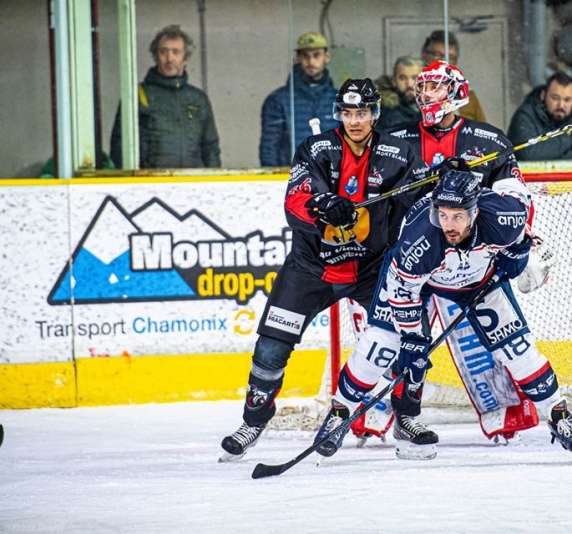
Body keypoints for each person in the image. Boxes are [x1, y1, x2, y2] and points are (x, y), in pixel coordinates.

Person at [313, 170, 572, 463]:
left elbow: (514, 190)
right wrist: (412, 338)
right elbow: (402, 292)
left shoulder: (504, 217)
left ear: (475, 212)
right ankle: (338, 414)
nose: (448, 224)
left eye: (457, 216)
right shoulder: (420, 240)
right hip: (416, 284)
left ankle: (559, 415)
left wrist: (519, 250)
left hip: (478, 282)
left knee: (516, 348)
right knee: (380, 346)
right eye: (443, 215)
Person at [219, 78, 429, 461]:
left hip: (373, 270)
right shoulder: (316, 148)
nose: (355, 120)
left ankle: (406, 418)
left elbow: (425, 197)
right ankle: (253, 420)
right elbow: (296, 199)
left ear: (375, 114)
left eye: (362, 112)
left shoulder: (399, 153)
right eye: (348, 113)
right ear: (339, 114)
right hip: (311, 268)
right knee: (270, 346)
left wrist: (444, 174)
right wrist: (322, 204)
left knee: (411, 339)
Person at [351, 60, 554, 451]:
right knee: (393, 338)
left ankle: (504, 413)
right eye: (422, 87)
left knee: (488, 336)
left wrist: (516, 235)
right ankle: (378, 415)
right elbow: (371, 192)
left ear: (457, 93)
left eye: (435, 87)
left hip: (470, 260)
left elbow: (516, 198)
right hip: (412, 257)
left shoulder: (490, 142)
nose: (426, 94)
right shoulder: (394, 139)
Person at [110, 25, 221, 169]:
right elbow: (120, 146)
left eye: (176, 52)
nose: (170, 59)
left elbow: (210, 147)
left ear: (186, 58)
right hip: (150, 185)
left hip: (192, 184)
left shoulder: (198, 99)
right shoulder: (136, 95)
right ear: (155, 56)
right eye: (163, 52)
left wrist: (214, 183)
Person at [259, 32, 339, 167]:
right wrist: (274, 182)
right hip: (292, 178)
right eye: (305, 56)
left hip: (333, 178)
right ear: (298, 58)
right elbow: (269, 147)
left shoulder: (338, 99)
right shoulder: (279, 100)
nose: (311, 62)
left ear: (327, 57)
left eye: (316, 55)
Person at [507, 71, 572, 161]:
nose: (561, 105)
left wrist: (549, 154)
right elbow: (528, 154)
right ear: (543, 95)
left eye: (567, 100)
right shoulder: (525, 115)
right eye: (555, 98)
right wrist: (565, 137)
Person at [421, 30, 486, 123]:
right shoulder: (412, 92)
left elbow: (483, 131)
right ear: (424, 55)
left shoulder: (468, 96)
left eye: (450, 57)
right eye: (436, 55)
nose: (443, 62)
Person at [375, 56, 423, 130]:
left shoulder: (429, 107)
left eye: (415, 78)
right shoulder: (388, 113)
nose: (409, 84)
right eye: (402, 78)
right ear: (394, 81)